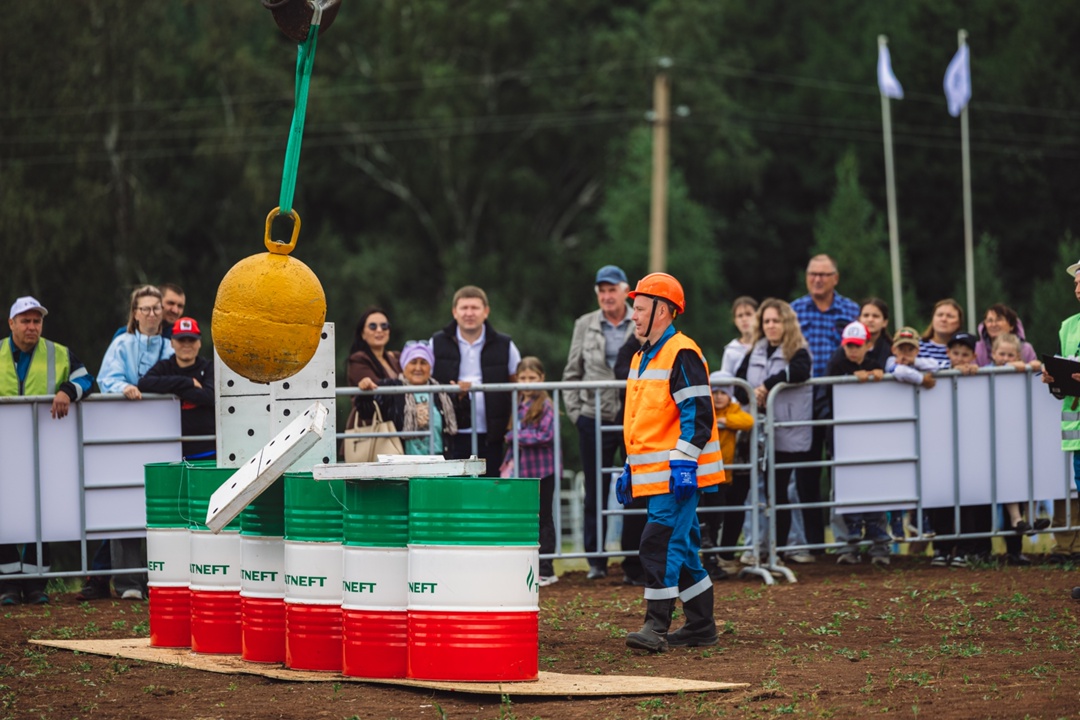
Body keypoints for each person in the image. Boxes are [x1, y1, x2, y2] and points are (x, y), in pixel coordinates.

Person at [616, 272, 725, 652]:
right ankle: (701, 626)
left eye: (640, 309)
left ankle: (655, 628)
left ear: (663, 311)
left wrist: (684, 464)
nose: (634, 316)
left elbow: (698, 413)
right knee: (683, 548)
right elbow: (643, 420)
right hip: (660, 474)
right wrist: (630, 467)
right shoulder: (641, 356)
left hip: (678, 475)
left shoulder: (681, 351)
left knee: (659, 544)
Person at [0, 296, 95, 605]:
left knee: (43, 509)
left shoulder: (58, 352)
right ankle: (8, 585)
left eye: (36, 321)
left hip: (47, 448)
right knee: (7, 511)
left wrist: (67, 390)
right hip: (6, 448)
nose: (32, 326)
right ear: (11, 323)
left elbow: (86, 378)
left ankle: (37, 584)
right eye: (25, 320)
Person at [95, 285, 175, 600]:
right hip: (124, 432)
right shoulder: (122, 343)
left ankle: (160, 578)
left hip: (161, 433)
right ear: (135, 313)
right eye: (145, 308)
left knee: (162, 504)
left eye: (157, 308)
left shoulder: (171, 346)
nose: (152, 314)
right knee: (125, 501)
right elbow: (106, 378)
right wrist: (123, 387)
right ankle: (128, 582)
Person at [562, 265, 635, 580]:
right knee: (594, 488)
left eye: (612, 289)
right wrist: (577, 414)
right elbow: (571, 372)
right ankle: (596, 561)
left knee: (637, 486)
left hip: (633, 416)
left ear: (624, 291)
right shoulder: (585, 324)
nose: (607, 296)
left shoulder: (640, 321)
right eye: (602, 291)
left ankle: (635, 559)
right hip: (593, 415)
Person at [734, 298, 813, 564]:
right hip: (758, 434)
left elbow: (801, 371)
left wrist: (767, 384)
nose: (771, 325)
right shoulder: (754, 349)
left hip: (787, 434)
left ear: (786, 323)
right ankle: (757, 548)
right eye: (766, 321)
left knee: (779, 492)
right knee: (758, 493)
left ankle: (778, 550)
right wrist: (751, 394)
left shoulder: (799, 349)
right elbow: (737, 385)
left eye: (776, 320)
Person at [791, 255, 860, 554]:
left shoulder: (850, 310)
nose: (817, 279)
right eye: (812, 274)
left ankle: (847, 540)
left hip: (839, 397)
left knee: (840, 468)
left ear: (836, 277)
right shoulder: (794, 309)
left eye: (823, 274)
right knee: (805, 470)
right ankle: (813, 542)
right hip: (802, 396)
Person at [431, 286, 521, 477]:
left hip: (493, 434)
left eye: (475, 308)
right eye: (464, 308)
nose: (469, 313)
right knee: (454, 492)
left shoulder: (505, 345)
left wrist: (512, 423)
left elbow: (518, 385)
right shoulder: (436, 343)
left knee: (489, 493)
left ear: (486, 311)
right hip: (450, 433)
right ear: (454, 312)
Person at [827, 322, 891, 566]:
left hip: (871, 439)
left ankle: (879, 547)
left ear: (868, 345)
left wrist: (879, 377)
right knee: (842, 491)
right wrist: (848, 380)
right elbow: (825, 399)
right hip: (842, 439)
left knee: (875, 490)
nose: (852, 351)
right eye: (849, 346)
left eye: (857, 346)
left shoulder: (876, 365)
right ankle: (846, 547)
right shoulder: (835, 364)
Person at [991, 333, 1050, 564]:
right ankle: (1017, 519)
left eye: (1010, 355)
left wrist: (1031, 365)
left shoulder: (1023, 370)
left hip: (1020, 433)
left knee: (1027, 476)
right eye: (1001, 354)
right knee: (1009, 479)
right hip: (1000, 435)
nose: (1005, 358)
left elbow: (1038, 368)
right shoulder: (987, 370)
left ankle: (1031, 519)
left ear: (1017, 355)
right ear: (993, 354)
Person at [502, 357, 558, 587]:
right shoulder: (516, 404)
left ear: (541, 378)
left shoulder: (546, 405)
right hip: (521, 471)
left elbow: (546, 435)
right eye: (523, 378)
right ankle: (525, 566)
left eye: (532, 378)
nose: (527, 383)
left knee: (543, 518)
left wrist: (515, 438)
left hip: (543, 470)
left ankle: (546, 568)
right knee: (523, 518)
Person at [1041, 258, 1080, 572]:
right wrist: (1053, 376)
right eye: (1076, 282)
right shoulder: (1068, 325)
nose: (1078, 288)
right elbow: (1066, 367)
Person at [357, 341, 458, 456]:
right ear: (404, 365)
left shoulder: (443, 392)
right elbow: (366, 413)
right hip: (401, 462)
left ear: (431, 366)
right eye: (413, 362)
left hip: (440, 461)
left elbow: (464, 421)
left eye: (424, 363)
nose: (418, 368)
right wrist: (365, 393)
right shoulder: (390, 388)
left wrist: (461, 397)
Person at [137, 317, 215, 460]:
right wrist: (187, 382)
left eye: (191, 340)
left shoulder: (209, 367)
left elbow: (209, 396)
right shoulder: (165, 366)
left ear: (199, 343)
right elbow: (144, 383)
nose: (186, 345)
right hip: (170, 451)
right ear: (172, 343)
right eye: (181, 340)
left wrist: (172, 388)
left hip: (207, 450)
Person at [701, 370, 753, 580]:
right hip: (705, 474)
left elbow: (747, 421)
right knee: (704, 519)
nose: (719, 396)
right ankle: (705, 561)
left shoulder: (733, 410)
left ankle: (713, 561)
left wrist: (722, 421)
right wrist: (718, 421)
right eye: (715, 392)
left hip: (725, 476)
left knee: (716, 520)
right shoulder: (705, 409)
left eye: (724, 392)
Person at [614, 330, 647, 586]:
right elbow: (620, 372)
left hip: (652, 434)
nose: (635, 319)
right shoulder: (631, 349)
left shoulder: (673, 348)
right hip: (637, 434)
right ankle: (633, 565)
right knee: (635, 501)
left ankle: (644, 564)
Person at [345, 306, 402, 431]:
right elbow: (378, 391)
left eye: (384, 326)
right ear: (363, 334)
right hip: (370, 430)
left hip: (393, 428)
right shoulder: (357, 360)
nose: (379, 330)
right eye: (372, 326)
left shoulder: (395, 358)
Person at [974, 303, 1040, 370]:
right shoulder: (976, 349)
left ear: (1011, 325)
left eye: (999, 319)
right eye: (990, 321)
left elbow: (1035, 376)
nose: (993, 324)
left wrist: (1033, 366)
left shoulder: (1026, 349)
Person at [719, 297, 759, 377]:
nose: (744, 319)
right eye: (740, 316)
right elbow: (725, 382)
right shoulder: (731, 351)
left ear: (758, 317)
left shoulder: (766, 345)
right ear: (735, 321)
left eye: (748, 314)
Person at [918, 299, 964, 368]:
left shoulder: (966, 349)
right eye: (939, 315)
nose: (943, 319)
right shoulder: (916, 346)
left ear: (959, 323)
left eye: (950, 316)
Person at [858, 298, 893, 369]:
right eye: (866, 315)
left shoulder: (892, 350)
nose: (870, 320)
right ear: (859, 319)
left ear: (885, 322)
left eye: (875, 316)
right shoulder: (847, 346)